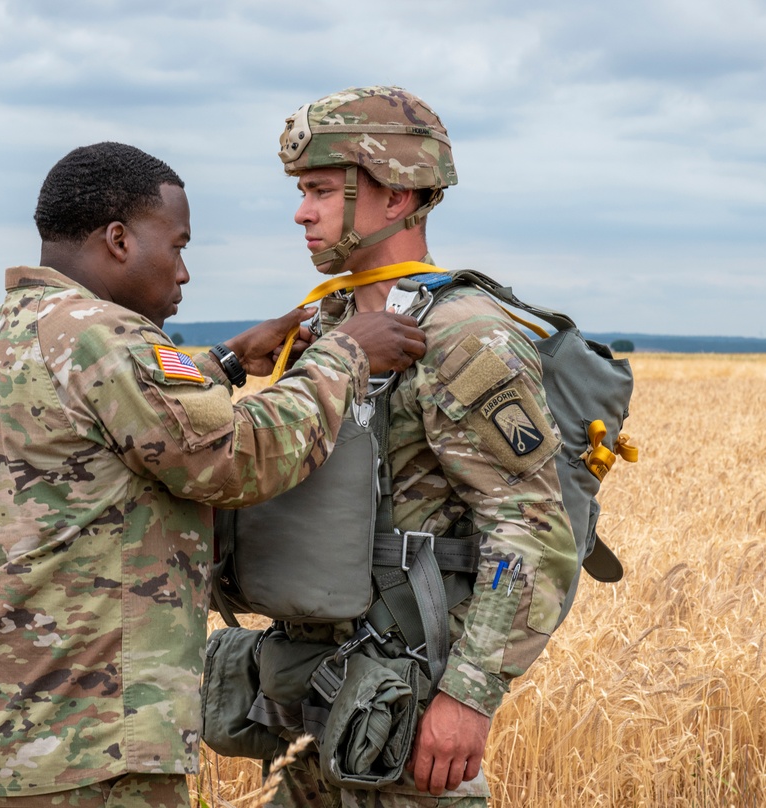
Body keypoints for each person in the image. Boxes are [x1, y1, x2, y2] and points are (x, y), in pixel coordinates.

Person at [0, 141, 427, 808]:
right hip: (90, 742)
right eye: (176, 245)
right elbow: (239, 459)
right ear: (118, 239)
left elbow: (107, 424)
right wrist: (344, 355)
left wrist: (226, 361)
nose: (185, 272)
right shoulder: (104, 336)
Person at [257, 86, 579, 807]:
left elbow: (531, 531)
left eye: (318, 190)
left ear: (398, 198)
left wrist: (468, 696)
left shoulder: (465, 334)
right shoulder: (328, 328)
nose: (301, 211)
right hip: (312, 702)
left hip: (404, 714)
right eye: (300, 191)